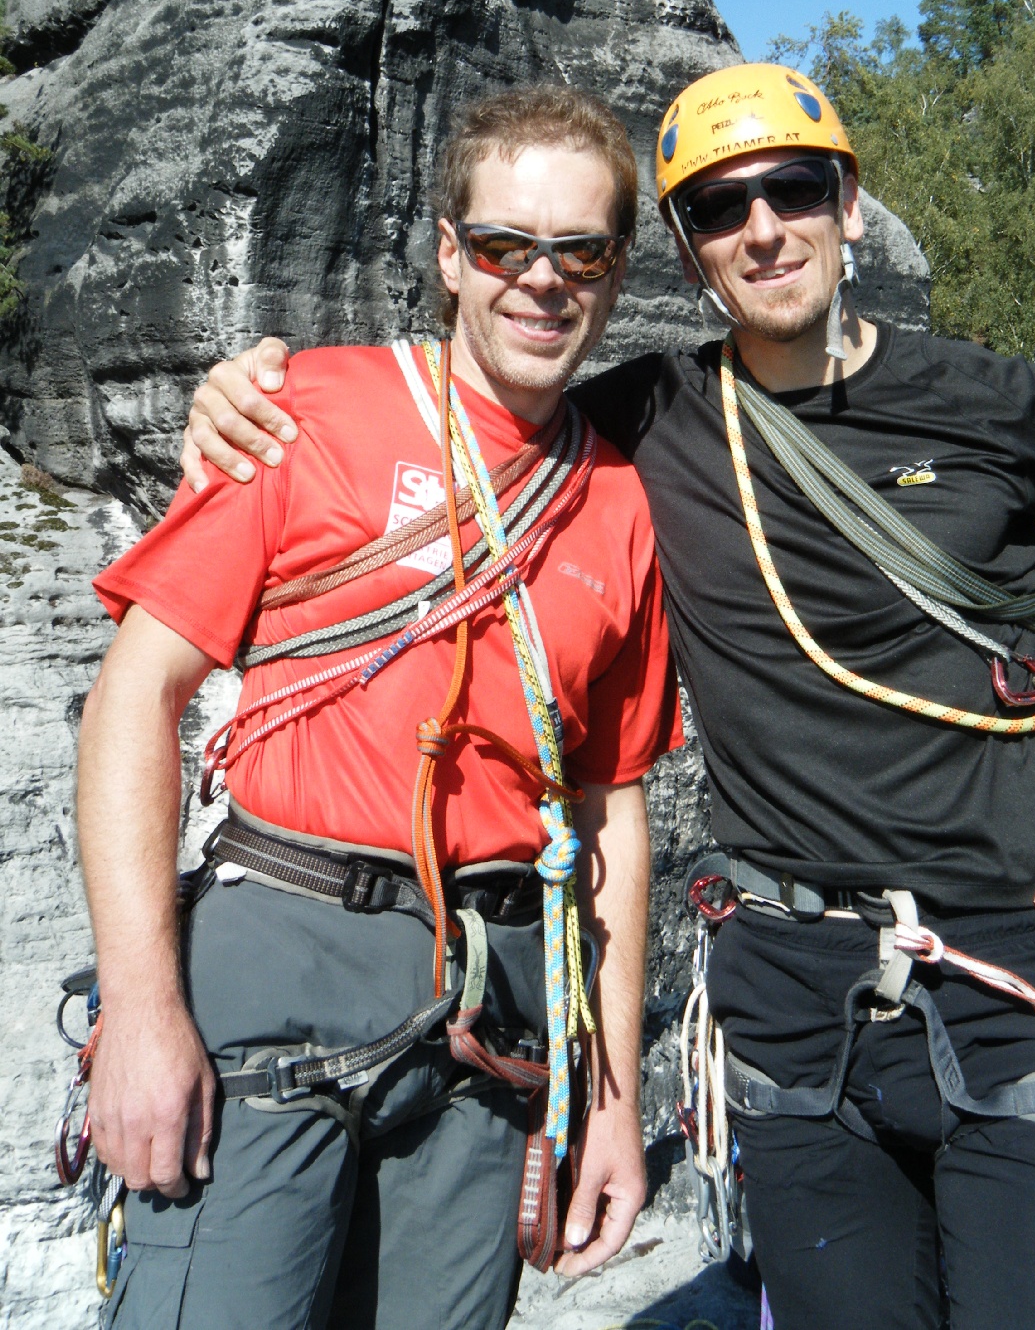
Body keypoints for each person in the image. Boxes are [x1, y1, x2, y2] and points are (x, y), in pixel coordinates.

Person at [181, 62, 1035, 1330]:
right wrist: (249, 395)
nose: (763, 228)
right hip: (795, 1000)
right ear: (685, 252)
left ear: (849, 205)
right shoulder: (645, 421)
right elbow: (468, 400)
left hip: (1026, 971)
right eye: (720, 210)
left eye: (793, 189)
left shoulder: (1003, 407)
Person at [78, 85, 682, 1330]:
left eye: (583, 251)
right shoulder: (308, 413)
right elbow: (137, 693)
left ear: (618, 272)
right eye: (508, 245)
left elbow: (610, 808)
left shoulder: (619, 502)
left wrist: (612, 1099)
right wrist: (140, 1011)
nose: (543, 280)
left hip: (490, 1011)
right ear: (452, 257)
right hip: (280, 957)